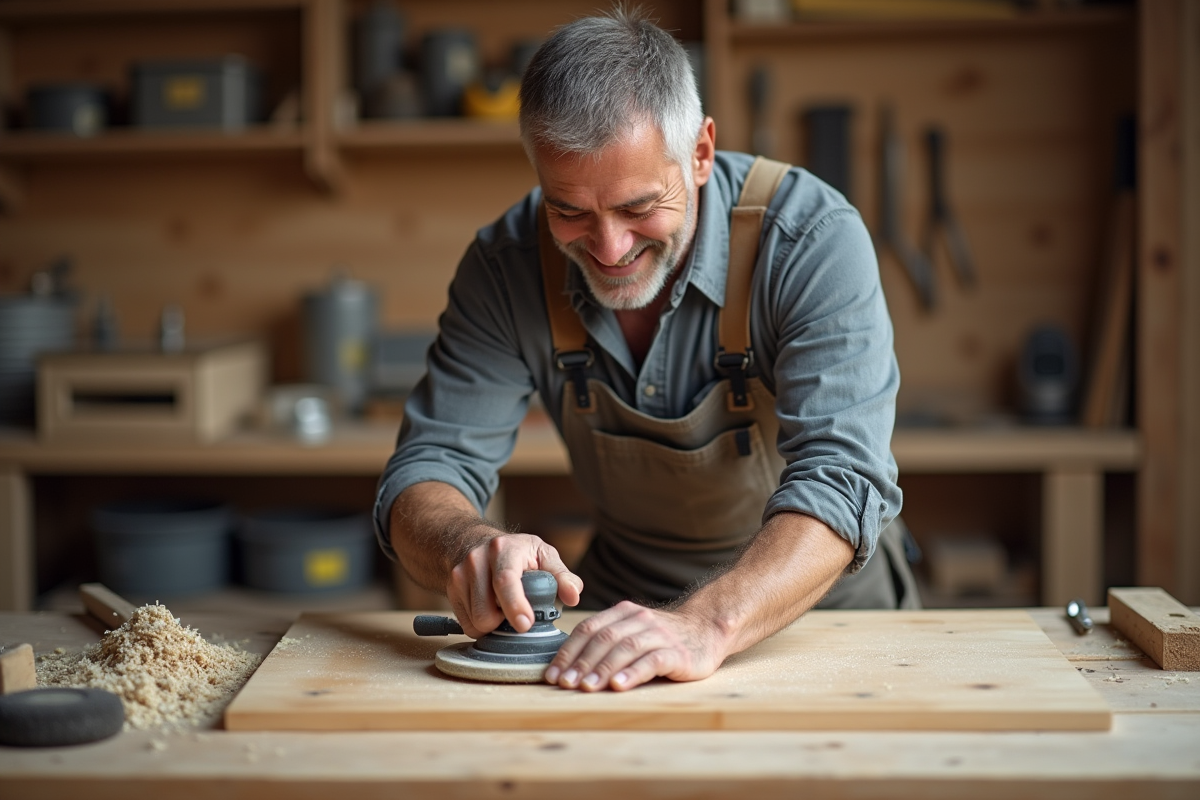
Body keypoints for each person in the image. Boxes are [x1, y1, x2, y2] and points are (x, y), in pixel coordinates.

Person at [374, 7, 918, 693]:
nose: (608, 249)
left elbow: (843, 479)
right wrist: (468, 545)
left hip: (823, 626)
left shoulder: (811, 240)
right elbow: (429, 465)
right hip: (616, 620)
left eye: (636, 208)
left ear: (700, 152)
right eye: (569, 210)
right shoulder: (506, 265)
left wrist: (710, 624)